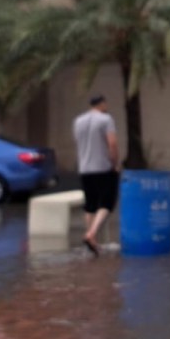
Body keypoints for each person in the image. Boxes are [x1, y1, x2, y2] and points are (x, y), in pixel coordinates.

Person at [73, 94, 120, 255]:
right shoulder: (106, 119)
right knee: (106, 203)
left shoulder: (78, 121)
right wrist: (114, 163)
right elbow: (112, 143)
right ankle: (91, 234)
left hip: (85, 168)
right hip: (103, 167)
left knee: (90, 204)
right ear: (102, 104)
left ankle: (92, 240)